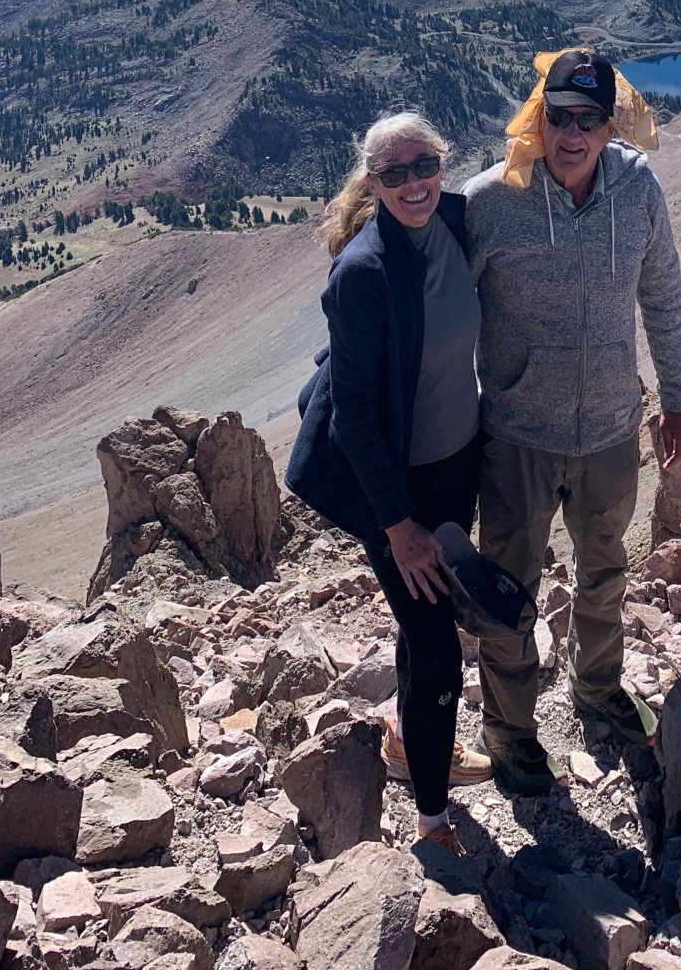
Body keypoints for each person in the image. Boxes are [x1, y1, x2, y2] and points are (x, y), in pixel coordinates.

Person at [463, 48, 681, 794]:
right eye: (559, 117)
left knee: (605, 573)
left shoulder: (639, 190)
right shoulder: (490, 200)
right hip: (517, 436)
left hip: (608, 430)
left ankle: (597, 688)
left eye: (589, 120)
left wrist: (680, 398)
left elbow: (662, 296)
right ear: (539, 118)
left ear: (609, 124)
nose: (573, 134)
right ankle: (509, 731)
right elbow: (442, 318)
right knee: (508, 590)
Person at [285, 112, 491, 853]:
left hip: (455, 465)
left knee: (421, 626)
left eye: (424, 165)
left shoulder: (460, 218)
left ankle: (410, 747)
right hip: (396, 488)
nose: (414, 184)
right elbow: (358, 421)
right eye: (394, 174)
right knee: (438, 645)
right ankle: (432, 822)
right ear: (372, 184)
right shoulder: (363, 272)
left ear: (443, 163)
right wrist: (398, 527)